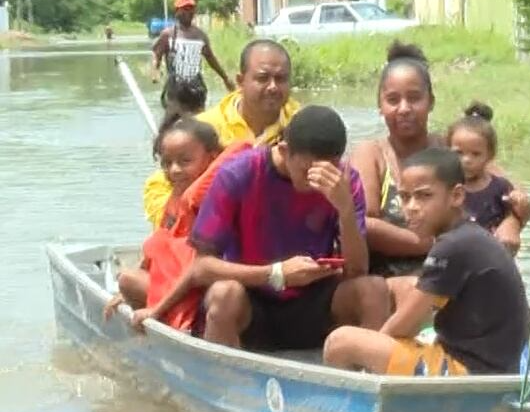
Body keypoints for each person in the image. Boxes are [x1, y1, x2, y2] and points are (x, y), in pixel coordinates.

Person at [187, 105, 388, 350]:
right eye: (306, 170)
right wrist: (276, 274)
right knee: (224, 295)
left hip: (311, 301)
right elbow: (201, 268)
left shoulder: (345, 182)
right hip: (252, 300)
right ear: (284, 151)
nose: (315, 182)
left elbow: (357, 270)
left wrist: (345, 208)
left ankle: (368, 375)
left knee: (374, 289)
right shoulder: (239, 174)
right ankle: (225, 381)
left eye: (326, 170)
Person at [323, 148, 528, 376]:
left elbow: (402, 327)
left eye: (424, 196)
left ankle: (356, 407)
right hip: (496, 367)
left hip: (470, 373)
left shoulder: (452, 246)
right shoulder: (469, 235)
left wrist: (371, 355)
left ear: (457, 196)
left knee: (340, 342)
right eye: (404, 197)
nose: (411, 207)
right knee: (410, 288)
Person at [351, 42, 526, 277]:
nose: (404, 109)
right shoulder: (371, 154)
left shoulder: (455, 149)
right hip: (392, 283)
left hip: (459, 276)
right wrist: (434, 244)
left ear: (431, 101)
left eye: (414, 98)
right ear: (380, 106)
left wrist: (511, 224)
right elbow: (363, 225)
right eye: (393, 100)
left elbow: (514, 197)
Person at [143, 39, 300, 226]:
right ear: (241, 82)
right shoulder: (203, 128)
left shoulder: (303, 127)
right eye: (262, 78)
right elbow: (158, 186)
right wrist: (184, 217)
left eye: (281, 79)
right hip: (211, 235)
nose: (273, 86)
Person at [104, 114, 228, 329]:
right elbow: (160, 249)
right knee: (127, 279)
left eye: (185, 161)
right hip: (175, 284)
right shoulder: (176, 197)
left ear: (212, 157)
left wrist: (158, 307)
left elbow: (196, 271)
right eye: (167, 163)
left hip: (201, 295)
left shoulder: (211, 199)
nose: (174, 170)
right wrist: (126, 296)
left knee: (128, 280)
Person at [447, 101, 530, 253]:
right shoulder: (444, 187)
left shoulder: (500, 187)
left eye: (475, 154)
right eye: (459, 153)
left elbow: (525, 212)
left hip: (492, 259)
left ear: (490, 155)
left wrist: (519, 203)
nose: (466, 160)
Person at [151, 0, 234, 110]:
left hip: (195, 86)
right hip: (176, 88)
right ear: (177, 12)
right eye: (185, 9)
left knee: (198, 121)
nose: (188, 12)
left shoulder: (200, 35)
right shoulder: (168, 34)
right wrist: (155, 70)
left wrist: (225, 78)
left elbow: (211, 59)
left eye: (191, 9)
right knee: (176, 123)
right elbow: (157, 54)